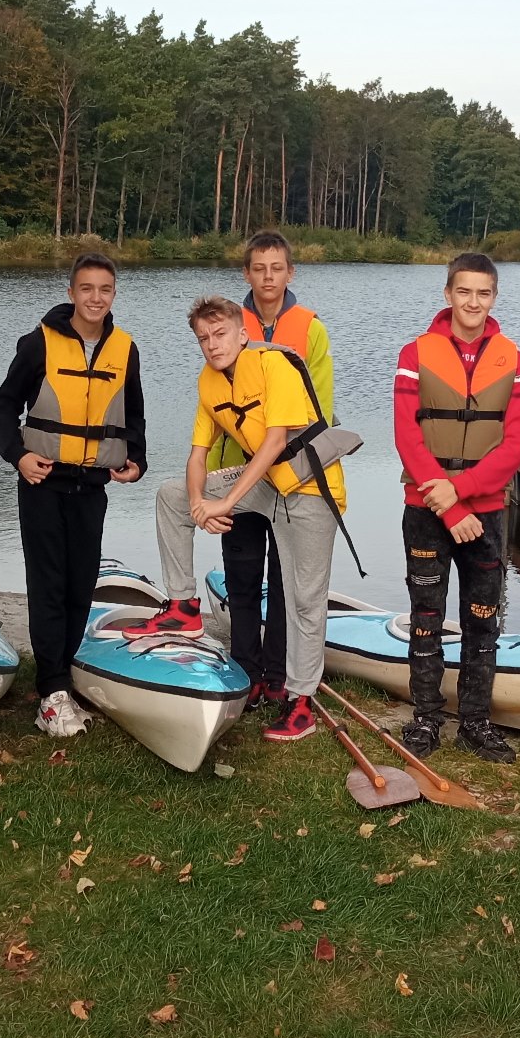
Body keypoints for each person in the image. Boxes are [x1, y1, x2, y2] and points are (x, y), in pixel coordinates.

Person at [137, 295, 357, 741]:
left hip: (310, 487)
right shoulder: (209, 381)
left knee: (304, 600)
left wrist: (224, 503)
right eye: (203, 339)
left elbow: (276, 440)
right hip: (265, 485)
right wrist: (200, 502)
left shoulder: (272, 365)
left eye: (220, 335)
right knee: (172, 496)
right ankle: (183, 607)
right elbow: (197, 454)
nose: (212, 345)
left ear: (242, 333)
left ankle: (299, 703)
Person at [0, 254, 147, 738]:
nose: (95, 297)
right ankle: (51, 691)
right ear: (71, 292)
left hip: (91, 486)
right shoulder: (38, 343)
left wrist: (137, 460)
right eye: (86, 288)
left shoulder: (125, 349)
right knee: (48, 583)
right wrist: (17, 455)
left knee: (82, 583)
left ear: (114, 294)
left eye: (104, 289)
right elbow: (3, 406)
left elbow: (135, 415)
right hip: (42, 482)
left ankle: (63, 674)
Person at [391, 253, 520, 762]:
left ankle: (476, 721)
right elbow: (407, 436)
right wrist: (449, 504)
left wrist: (465, 489)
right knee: (426, 616)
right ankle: (426, 717)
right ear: (448, 294)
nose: (473, 302)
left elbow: (516, 443)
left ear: (493, 297)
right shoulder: (415, 354)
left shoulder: (515, 361)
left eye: (484, 293)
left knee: (483, 619)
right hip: (427, 508)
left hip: (487, 512)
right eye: (464, 291)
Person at [212, 230, 336, 710]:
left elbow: (318, 407)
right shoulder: (225, 323)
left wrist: (278, 449)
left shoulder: (311, 329)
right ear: (246, 273)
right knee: (242, 577)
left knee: (287, 584)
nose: (268, 277)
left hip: (291, 479)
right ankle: (247, 673)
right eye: (258, 268)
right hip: (238, 472)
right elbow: (214, 399)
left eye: (276, 268)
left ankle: (279, 676)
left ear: (290, 272)